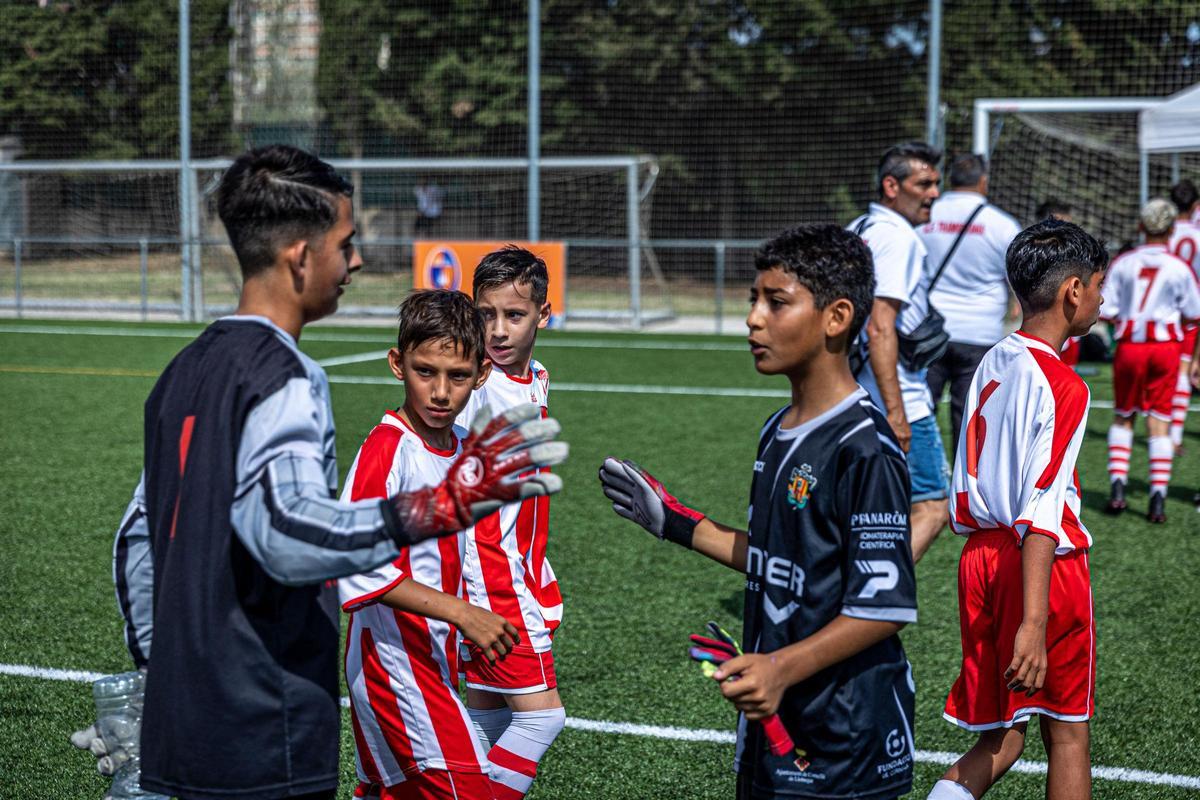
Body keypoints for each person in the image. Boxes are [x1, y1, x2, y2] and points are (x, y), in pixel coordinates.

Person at [109, 145, 567, 800]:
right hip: (268, 714)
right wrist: (445, 505)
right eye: (346, 243)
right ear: (301, 256)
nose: (355, 261)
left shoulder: (185, 367)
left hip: (190, 717)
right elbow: (290, 537)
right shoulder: (286, 377)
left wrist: (160, 680)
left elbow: (136, 544)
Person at [600, 224, 918, 800]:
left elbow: (885, 607)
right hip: (776, 718)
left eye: (776, 302)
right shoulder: (778, 429)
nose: (754, 317)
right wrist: (673, 522)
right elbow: (778, 559)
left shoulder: (863, 447)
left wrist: (780, 668)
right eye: (753, 299)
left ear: (836, 316)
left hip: (843, 731)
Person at [929, 219, 1107, 800]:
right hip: (1039, 568)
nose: (1103, 301)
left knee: (1001, 739)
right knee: (1068, 734)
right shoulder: (1065, 385)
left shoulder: (992, 359)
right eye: (1099, 286)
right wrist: (1033, 623)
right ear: (1073, 291)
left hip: (979, 560)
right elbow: (1040, 511)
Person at [341, 289, 525, 800]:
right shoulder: (387, 449)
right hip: (394, 665)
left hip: (434, 662)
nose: (441, 392)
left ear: (482, 375)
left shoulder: (464, 447)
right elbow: (355, 564)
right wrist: (465, 615)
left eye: (459, 377)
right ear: (398, 364)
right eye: (426, 372)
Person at [456, 246, 566, 800]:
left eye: (514, 315)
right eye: (485, 315)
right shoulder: (477, 389)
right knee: (541, 718)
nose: (497, 331)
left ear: (544, 314)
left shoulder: (535, 376)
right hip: (491, 575)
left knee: (490, 718)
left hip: (517, 565)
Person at [849, 141, 949, 563]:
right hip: (897, 394)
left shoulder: (859, 227)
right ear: (891, 186)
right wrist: (896, 411)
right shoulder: (897, 238)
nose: (934, 194)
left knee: (862, 511)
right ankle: (871, 599)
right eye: (923, 183)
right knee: (931, 506)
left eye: (936, 183)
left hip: (849, 391)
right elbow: (879, 325)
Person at [1101, 199, 1200, 522]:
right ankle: (1157, 498)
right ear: (1171, 229)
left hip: (1130, 347)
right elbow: (1194, 313)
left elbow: (1107, 309)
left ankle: (1118, 489)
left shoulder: (1125, 262)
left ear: (1141, 227)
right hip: (1166, 349)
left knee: (1123, 416)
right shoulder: (1178, 267)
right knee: (1159, 421)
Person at [919, 153, 1022, 446]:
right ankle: (963, 487)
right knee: (970, 420)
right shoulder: (1001, 224)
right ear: (983, 181)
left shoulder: (925, 215)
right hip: (980, 333)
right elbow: (1018, 277)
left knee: (918, 413)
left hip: (929, 330)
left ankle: (914, 484)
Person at [1167, 180, 1200, 450]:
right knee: (1184, 370)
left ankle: (1159, 427)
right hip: (1191, 309)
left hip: (1163, 307)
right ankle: (1175, 434)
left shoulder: (1162, 233)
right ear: (1195, 205)